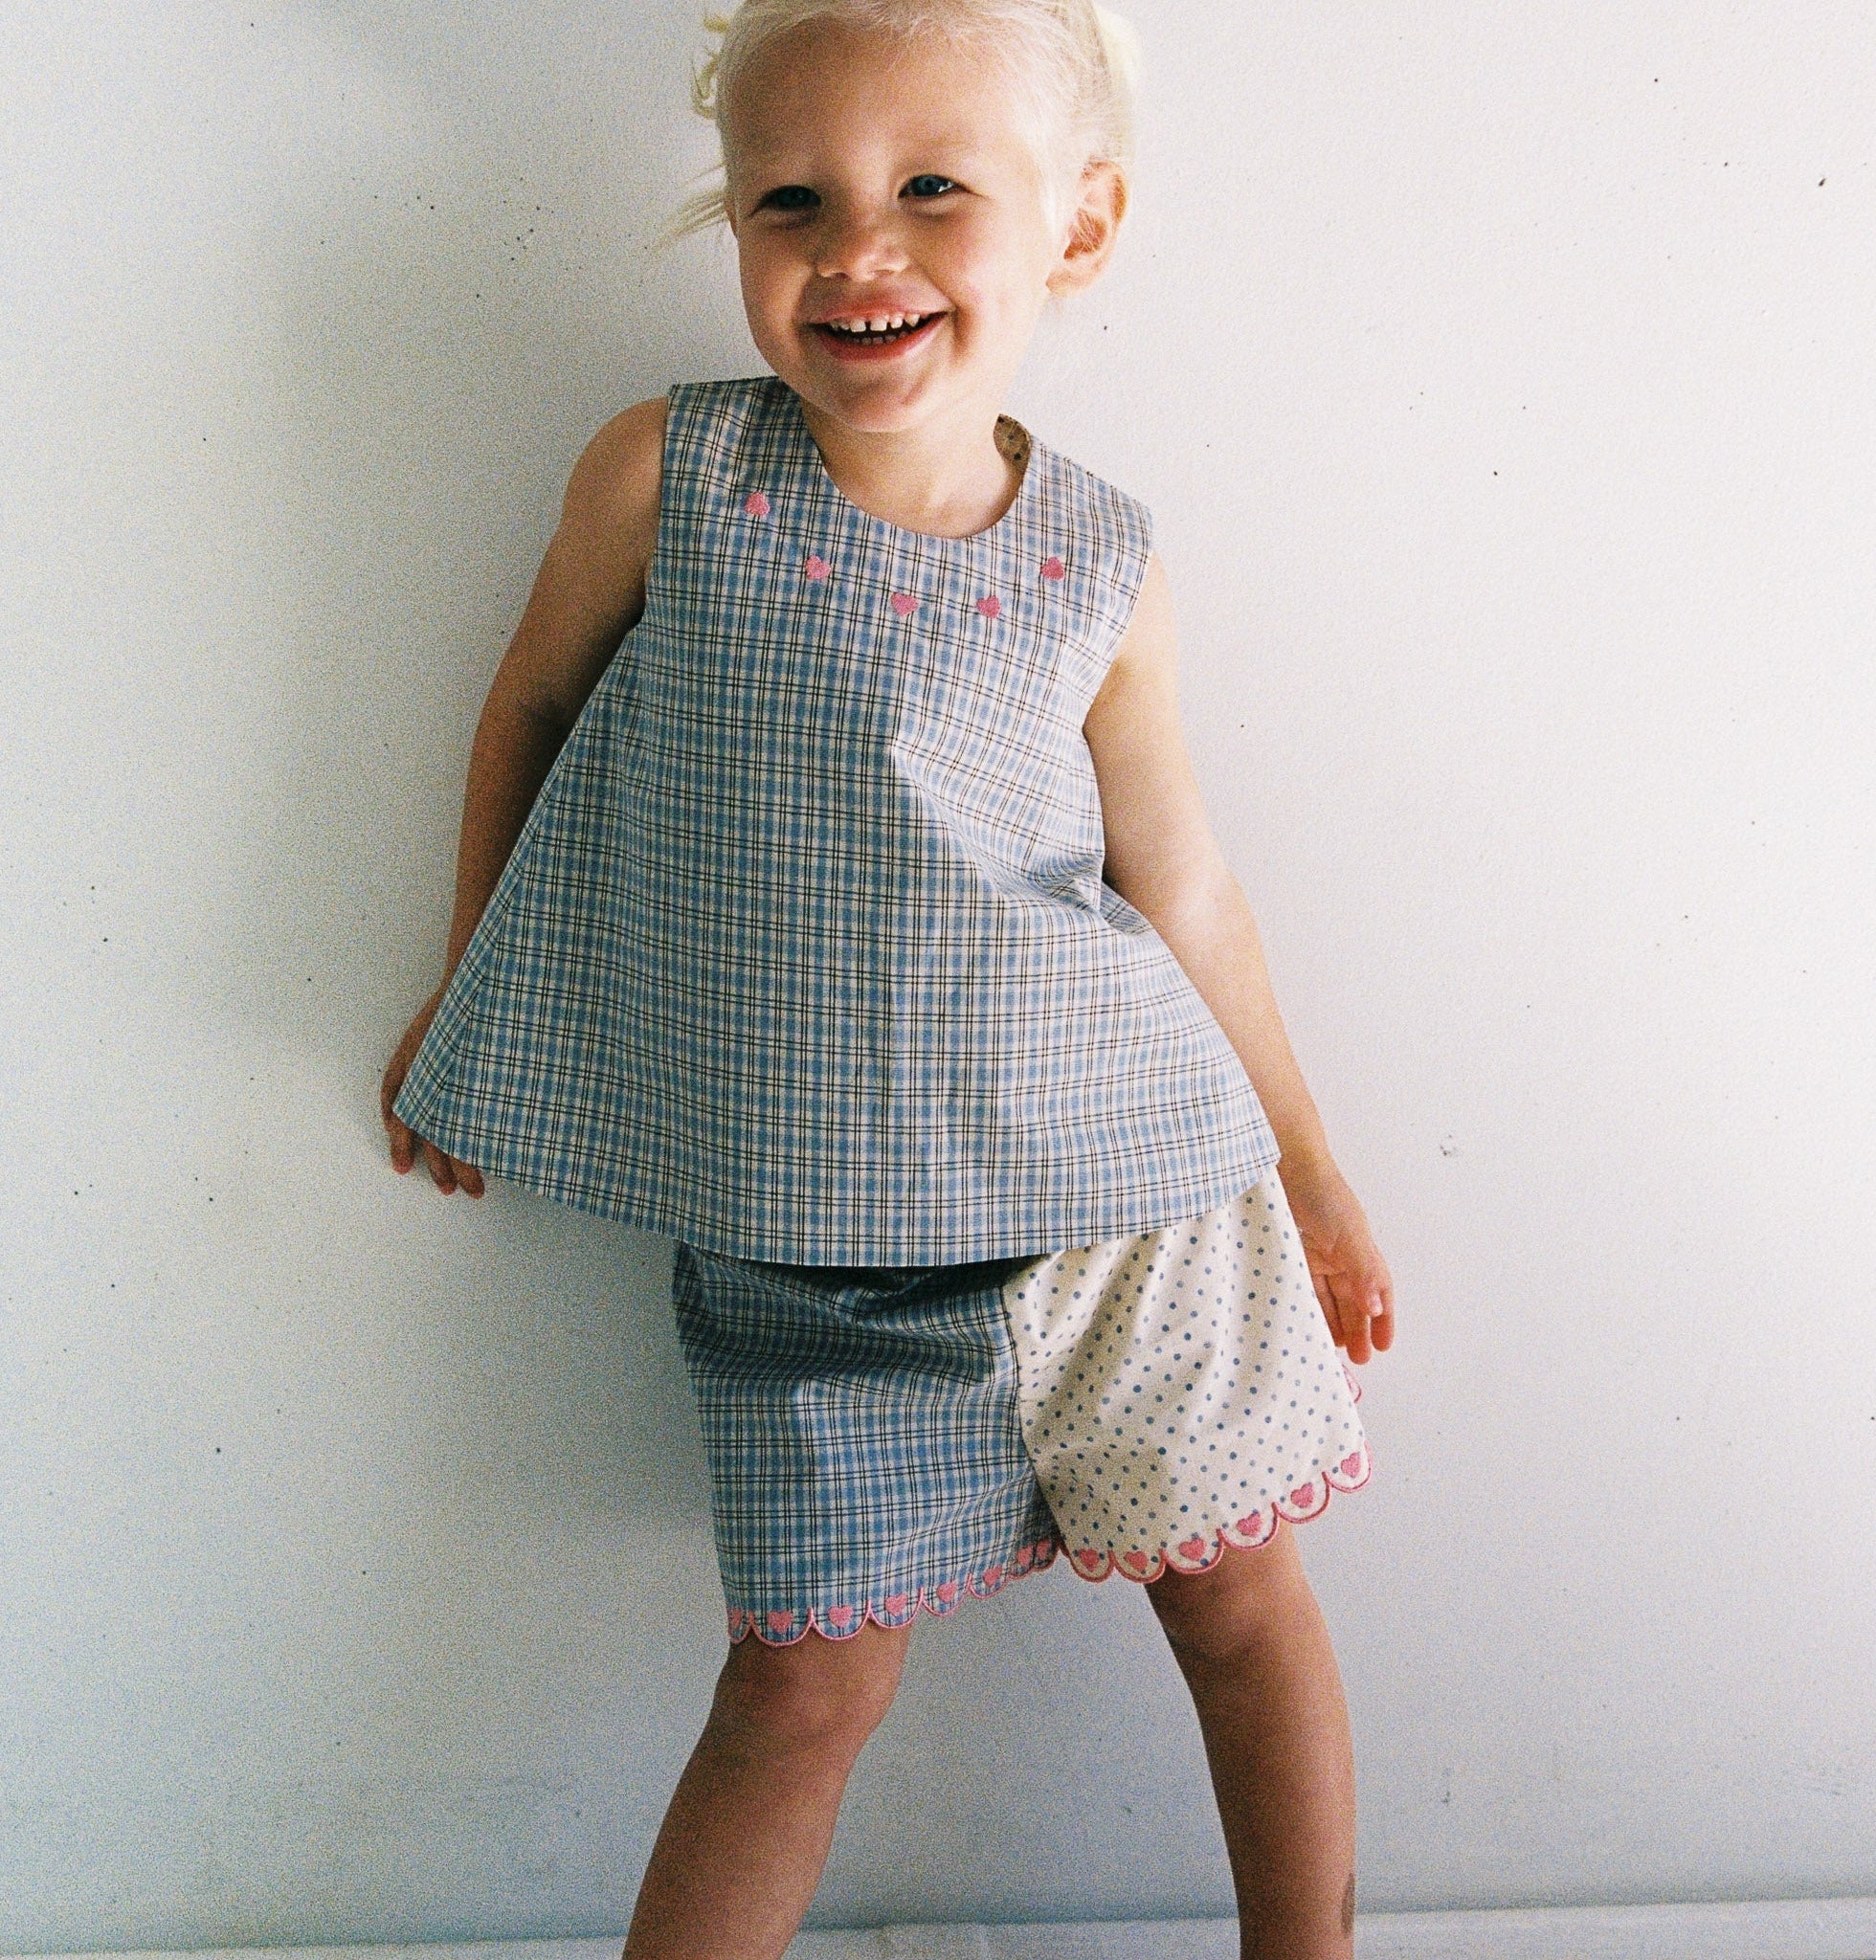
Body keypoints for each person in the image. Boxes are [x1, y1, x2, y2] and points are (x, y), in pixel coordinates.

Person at [380, 3, 1396, 1954]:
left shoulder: (1098, 554)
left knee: (1237, 1604)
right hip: (809, 1232)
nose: (859, 248)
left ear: (1074, 229)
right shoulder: (671, 478)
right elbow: (529, 707)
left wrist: (1313, 1165)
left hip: (1123, 1203)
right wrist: (472, 998)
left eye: (932, 188)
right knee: (796, 1686)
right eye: (792, 199)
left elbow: (1176, 885)